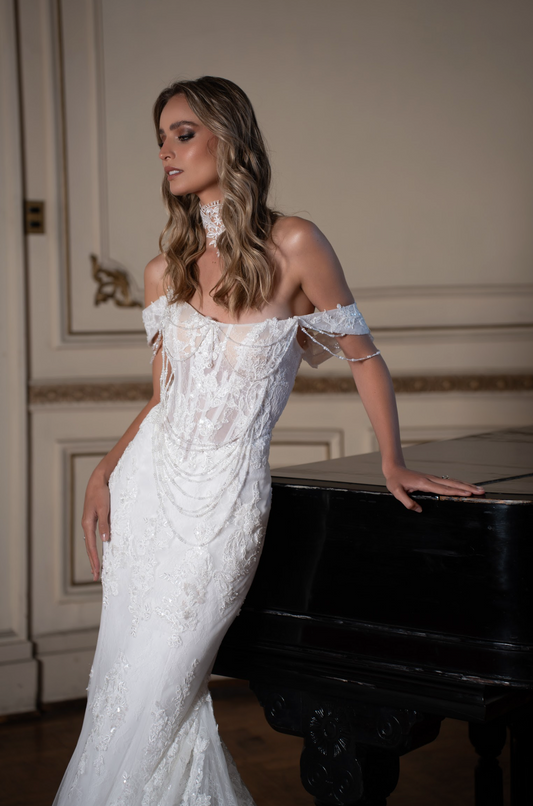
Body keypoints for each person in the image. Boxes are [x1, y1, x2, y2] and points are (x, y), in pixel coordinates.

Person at [53, 76, 484, 805]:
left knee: (160, 694)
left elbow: (363, 357)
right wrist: (103, 471)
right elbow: (161, 400)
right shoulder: (164, 269)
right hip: (147, 495)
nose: (166, 151)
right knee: (124, 698)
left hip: (224, 507)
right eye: (160, 139)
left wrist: (392, 460)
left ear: (229, 136)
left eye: (183, 133)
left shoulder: (295, 243)